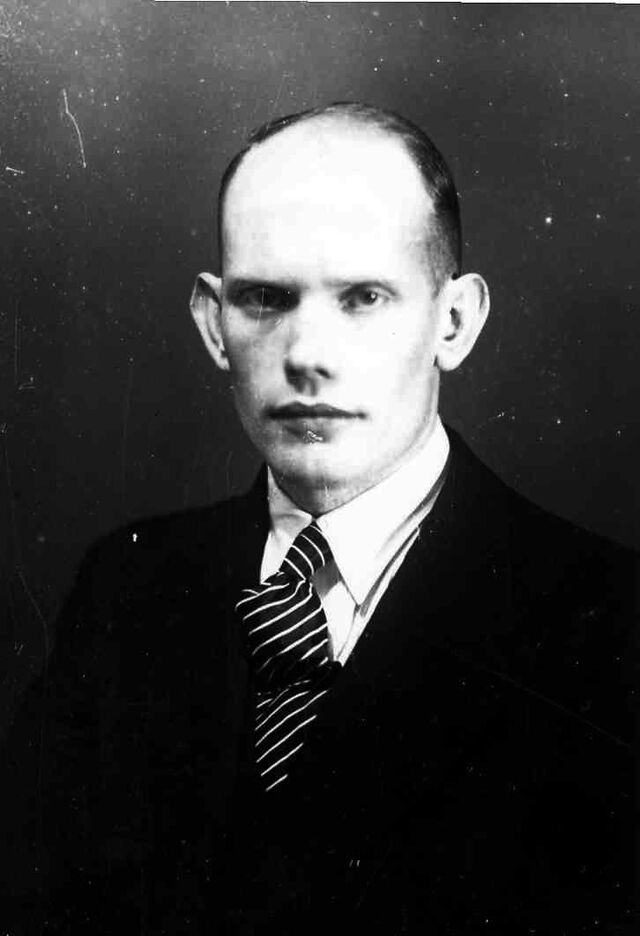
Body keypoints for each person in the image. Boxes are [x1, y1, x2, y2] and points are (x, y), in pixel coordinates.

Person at [1, 103, 635, 934]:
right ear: (213, 323)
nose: (306, 355)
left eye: (363, 297)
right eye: (266, 299)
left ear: (453, 322)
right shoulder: (128, 586)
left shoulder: (610, 620)